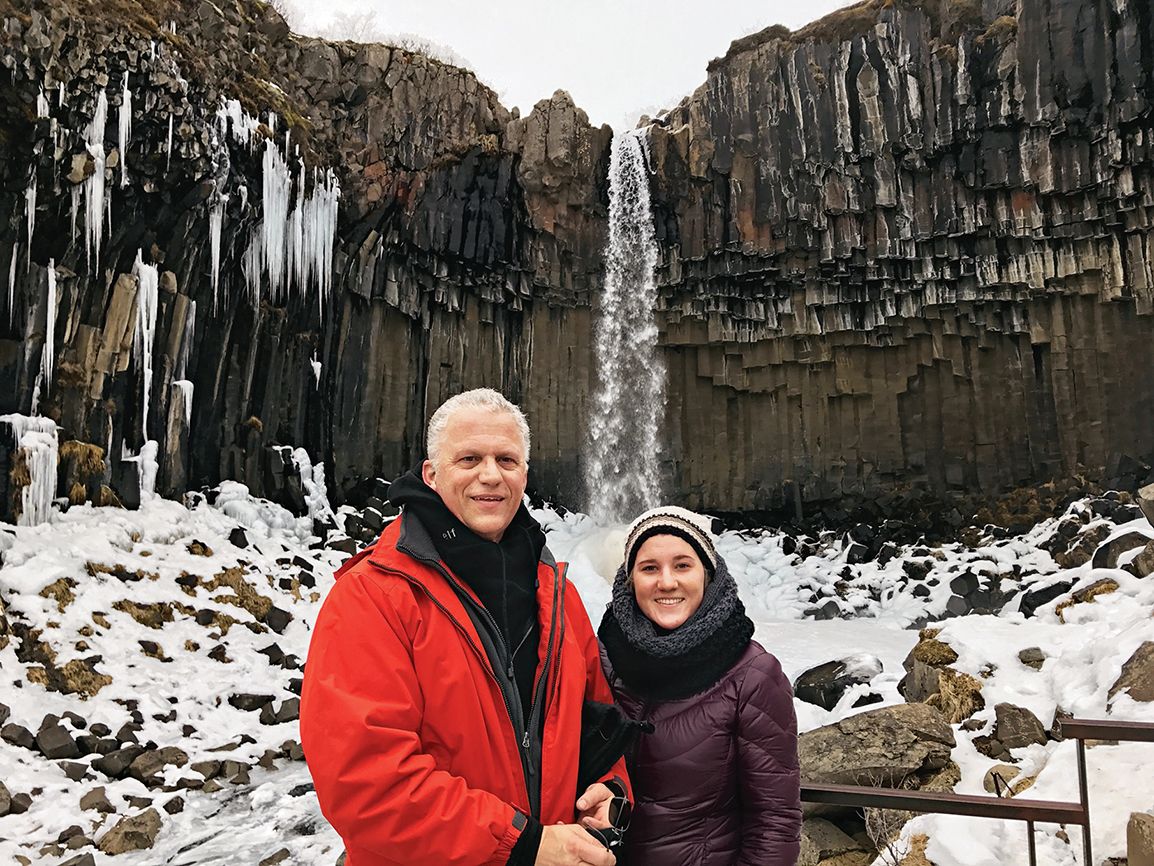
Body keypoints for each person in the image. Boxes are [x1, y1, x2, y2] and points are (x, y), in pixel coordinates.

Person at [301, 388, 629, 866]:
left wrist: (610, 790)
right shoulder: (374, 596)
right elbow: (364, 781)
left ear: (525, 475)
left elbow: (598, 722)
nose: (491, 475)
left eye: (507, 460)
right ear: (432, 475)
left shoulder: (557, 597)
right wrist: (522, 844)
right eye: (470, 458)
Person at [598, 506, 802, 866]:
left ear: (708, 575)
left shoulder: (752, 676)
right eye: (649, 568)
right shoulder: (602, 657)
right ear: (629, 580)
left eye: (682, 565)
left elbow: (774, 824)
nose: (666, 582)